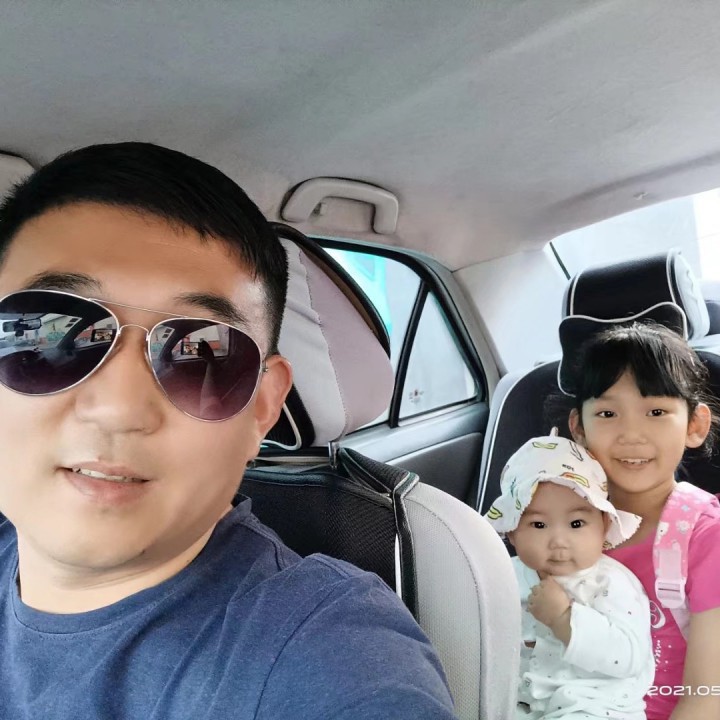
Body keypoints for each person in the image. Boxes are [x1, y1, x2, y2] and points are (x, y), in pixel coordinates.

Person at [0, 142, 457, 719]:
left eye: (203, 354)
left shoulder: (328, 657)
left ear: (262, 410)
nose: (119, 407)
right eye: (52, 331)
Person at [566, 322, 720, 720]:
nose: (631, 434)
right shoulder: (558, 523)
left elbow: (707, 697)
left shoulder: (707, 537)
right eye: (607, 413)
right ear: (579, 429)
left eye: (656, 412)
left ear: (695, 426)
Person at [485, 432, 654, 719]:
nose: (559, 541)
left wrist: (564, 619)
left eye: (576, 523)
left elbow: (629, 657)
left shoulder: (610, 583)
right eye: (539, 525)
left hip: (596, 705)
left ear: (603, 525)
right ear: (512, 531)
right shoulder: (502, 575)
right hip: (522, 701)